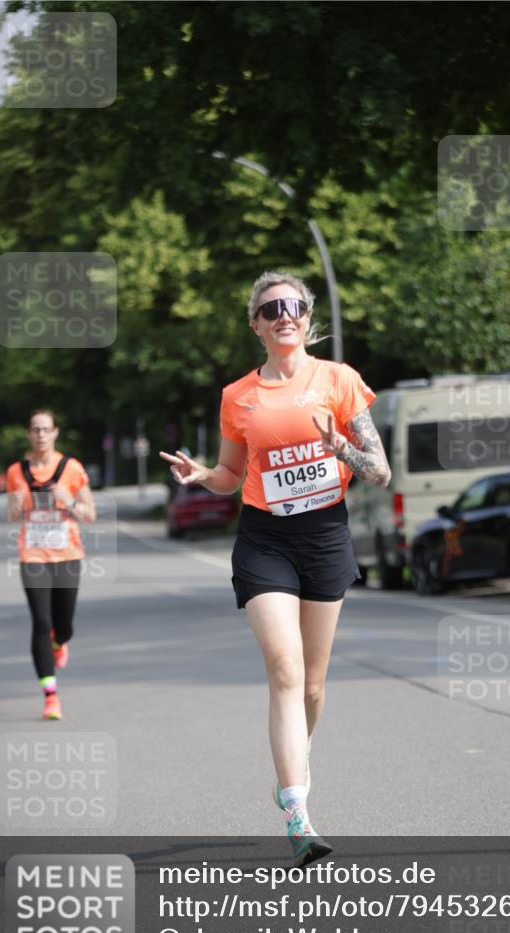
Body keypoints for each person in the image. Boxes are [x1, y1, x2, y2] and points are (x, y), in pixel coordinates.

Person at [160, 271, 390, 865]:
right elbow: (232, 476)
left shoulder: (339, 380)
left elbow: (380, 472)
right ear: (256, 324)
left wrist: (335, 445)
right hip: (265, 540)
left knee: (312, 684)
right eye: (270, 309)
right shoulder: (238, 396)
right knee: (284, 671)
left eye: (293, 305)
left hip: (325, 536)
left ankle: (294, 763)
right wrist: (201, 476)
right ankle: (298, 809)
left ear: (308, 317)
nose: (284, 315)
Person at [7, 410, 96, 720]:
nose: (41, 435)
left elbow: (90, 514)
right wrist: (16, 507)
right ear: (29, 434)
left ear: (55, 433)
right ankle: (50, 697)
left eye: (46, 429)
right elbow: (12, 516)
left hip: (68, 555)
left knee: (64, 624)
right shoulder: (16, 471)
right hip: (32, 556)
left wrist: (69, 501)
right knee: (42, 623)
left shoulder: (70, 469)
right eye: (36, 430)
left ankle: (61, 643)